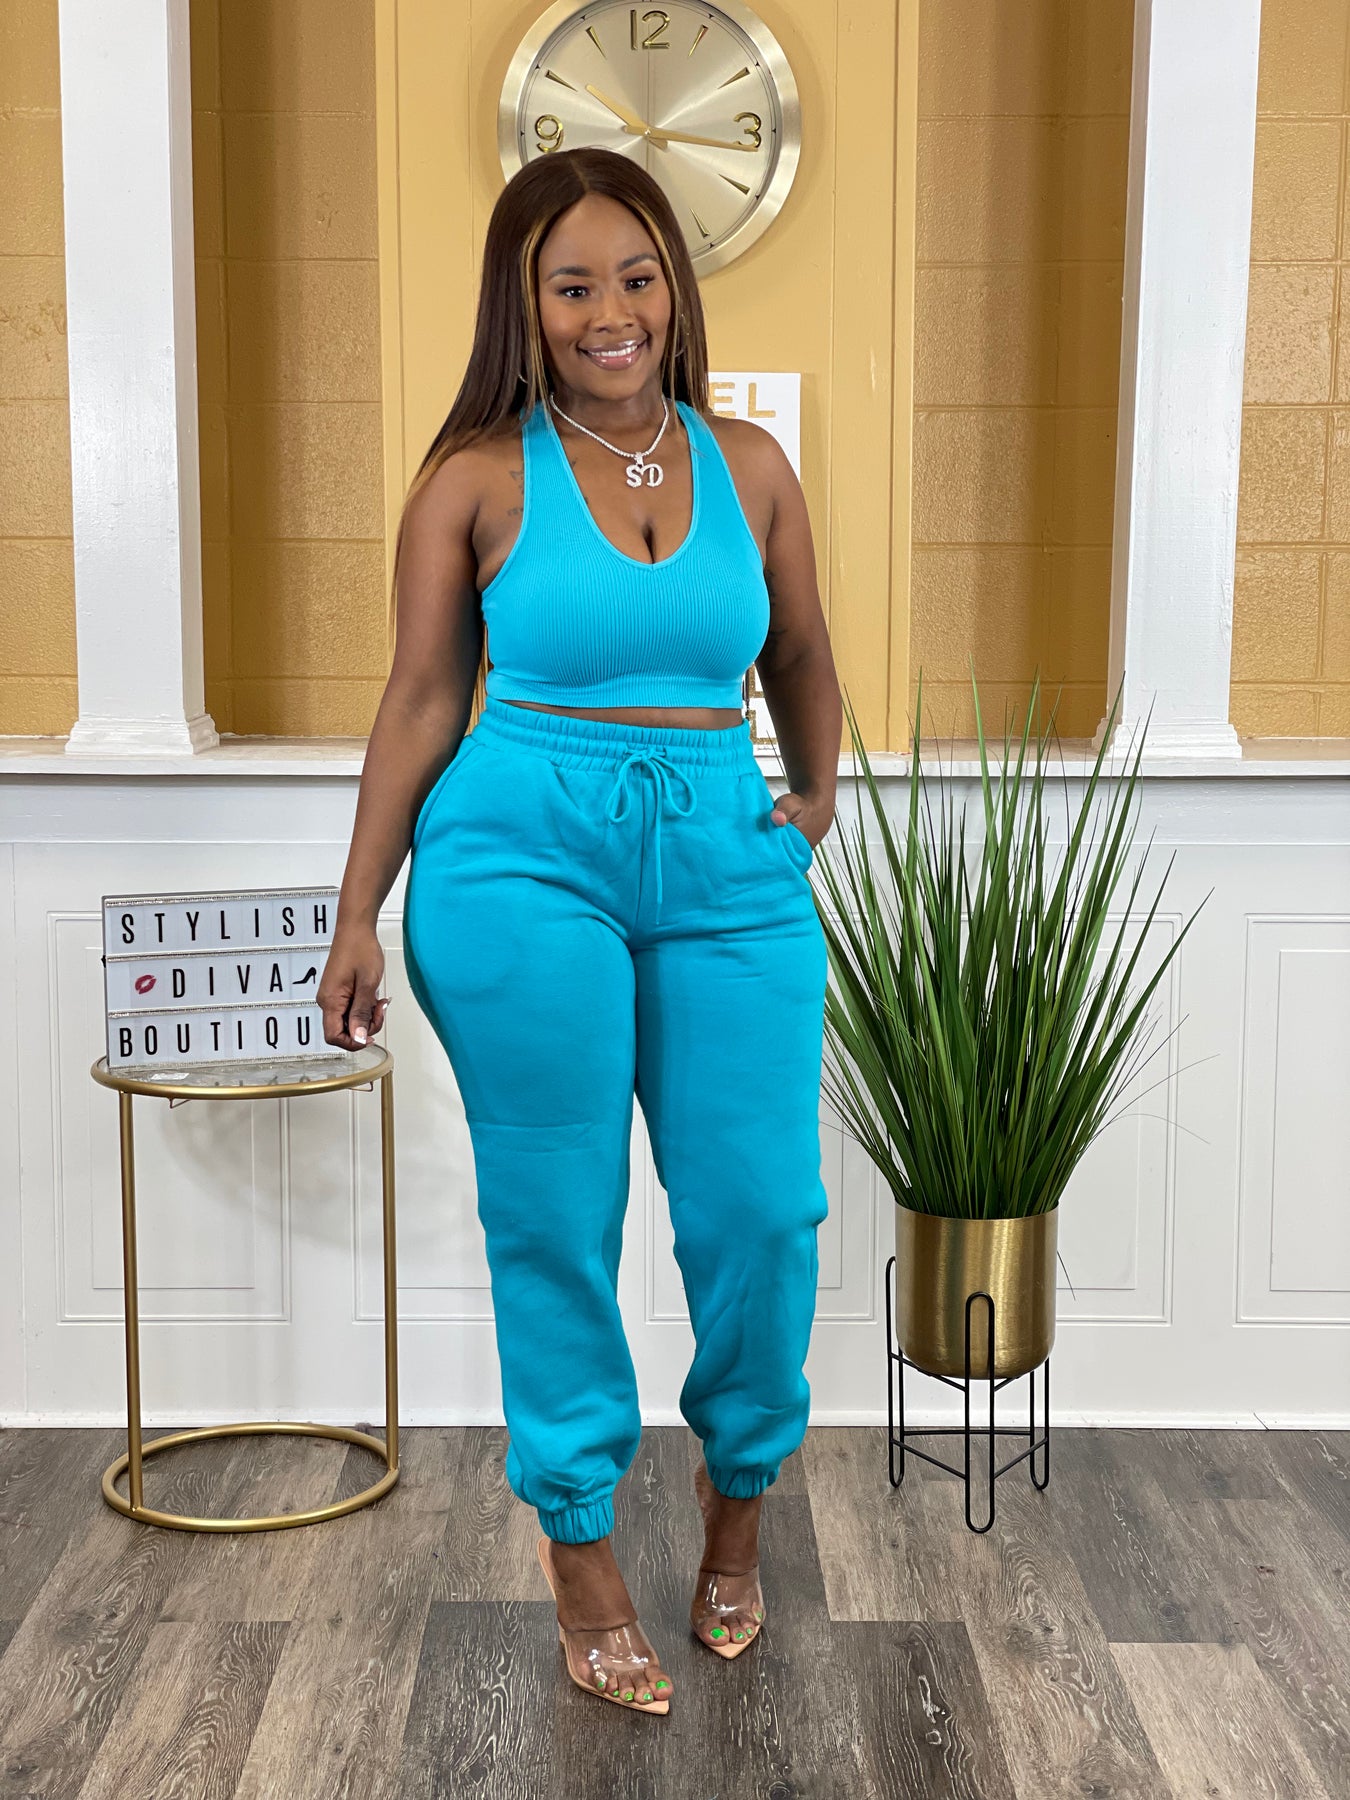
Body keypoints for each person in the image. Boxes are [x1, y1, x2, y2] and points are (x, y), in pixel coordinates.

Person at [319, 147, 841, 1715]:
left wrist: (813, 796)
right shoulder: (474, 479)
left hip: (722, 853)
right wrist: (356, 910)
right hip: (518, 857)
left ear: (672, 287)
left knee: (762, 1211)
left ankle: (737, 1510)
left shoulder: (748, 465)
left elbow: (802, 653)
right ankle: (581, 1553)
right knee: (555, 1220)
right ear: (524, 304)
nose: (610, 310)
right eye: (571, 286)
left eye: (635, 276)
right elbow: (422, 699)